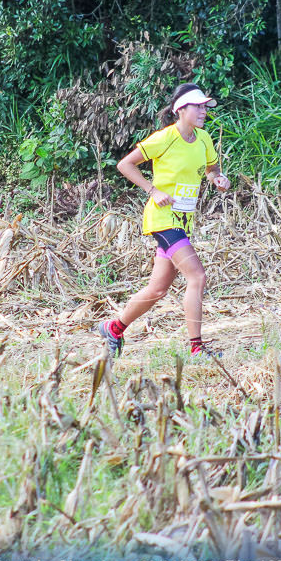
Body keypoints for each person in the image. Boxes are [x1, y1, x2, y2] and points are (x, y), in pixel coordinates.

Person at [97, 83, 230, 358]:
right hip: (163, 219)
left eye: (205, 106)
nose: (204, 111)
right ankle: (197, 348)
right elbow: (125, 164)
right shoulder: (164, 138)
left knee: (157, 289)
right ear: (181, 110)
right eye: (199, 106)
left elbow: (211, 167)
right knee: (197, 276)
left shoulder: (203, 139)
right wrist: (152, 190)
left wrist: (217, 178)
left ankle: (114, 328)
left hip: (183, 221)